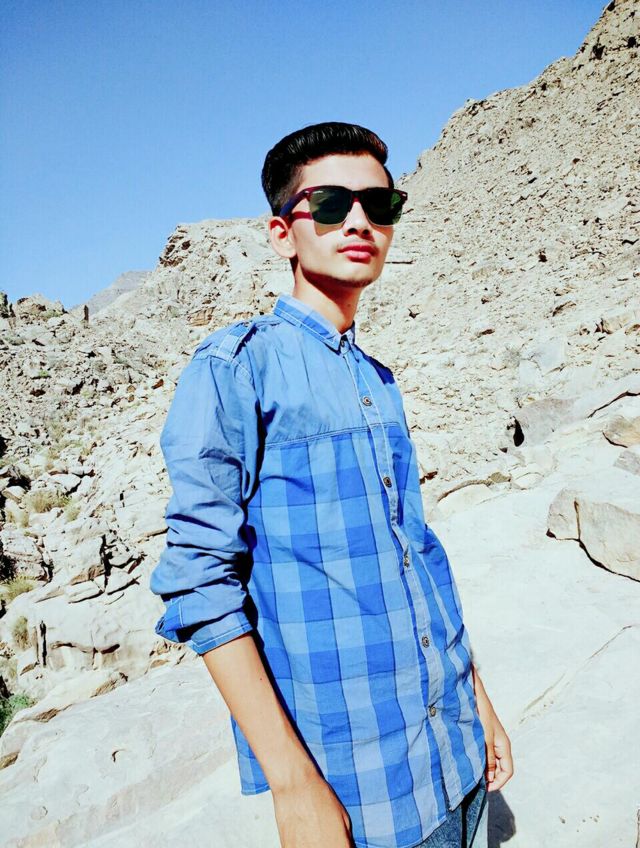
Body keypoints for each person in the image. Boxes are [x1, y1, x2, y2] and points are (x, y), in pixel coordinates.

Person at [149, 121, 513, 848]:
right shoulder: (236, 368)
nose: (358, 222)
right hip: (361, 790)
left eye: (380, 204)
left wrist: (478, 698)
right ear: (283, 233)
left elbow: (415, 557)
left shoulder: (378, 380)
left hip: (454, 750)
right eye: (330, 204)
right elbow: (200, 580)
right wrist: (292, 785)